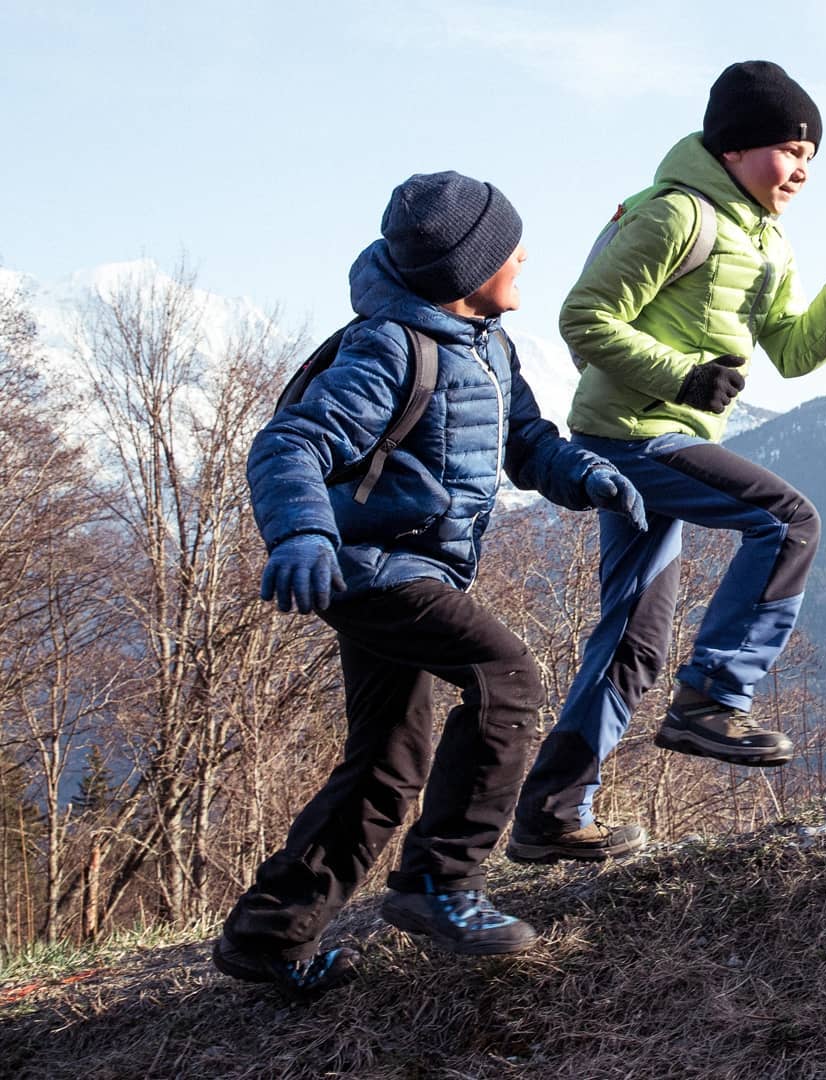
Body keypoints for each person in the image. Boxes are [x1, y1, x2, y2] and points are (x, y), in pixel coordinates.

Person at [212, 170, 647, 999]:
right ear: (465, 270)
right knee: (507, 678)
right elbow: (289, 445)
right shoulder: (387, 347)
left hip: (413, 571)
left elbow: (525, 441)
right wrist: (301, 530)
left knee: (387, 760)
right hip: (374, 573)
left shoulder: (488, 346)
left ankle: (270, 934)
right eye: (508, 246)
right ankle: (441, 882)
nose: (524, 255)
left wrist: (581, 474)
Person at [508, 60, 826, 864]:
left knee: (632, 643)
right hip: (629, 434)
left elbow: (789, 351)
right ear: (739, 146)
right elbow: (584, 317)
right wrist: (681, 375)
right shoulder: (677, 215)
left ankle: (551, 814)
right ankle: (713, 697)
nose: (803, 171)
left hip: (672, 437)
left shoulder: (767, 240)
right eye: (792, 150)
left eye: (812, 158)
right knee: (787, 520)